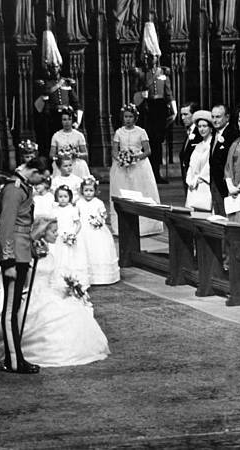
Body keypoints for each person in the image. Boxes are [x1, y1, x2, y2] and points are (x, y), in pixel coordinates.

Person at [0, 217, 110, 368]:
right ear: (43, 232)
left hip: (50, 292)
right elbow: (25, 280)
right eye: (53, 231)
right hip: (33, 294)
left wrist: (68, 288)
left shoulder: (50, 252)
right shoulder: (30, 254)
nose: (57, 234)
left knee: (71, 313)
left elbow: (52, 278)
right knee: (32, 319)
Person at [0, 156, 48, 374]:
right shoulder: (14, 189)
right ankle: (13, 361)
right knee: (10, 310)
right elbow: (6, 226)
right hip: (14, 254)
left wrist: (32, 244)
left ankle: (17, 357)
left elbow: (23, 225)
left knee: (15, 308)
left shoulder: (22, 186)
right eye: (40, 178)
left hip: (22, 250)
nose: (39, 183)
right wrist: (8, 261)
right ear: (33, 171)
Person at [133, 22, 177, 184]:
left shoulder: (163, 74)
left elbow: (169, 94)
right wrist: (141, 95)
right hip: (147, 109)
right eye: (149, 56)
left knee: (158, 142)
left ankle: (157, 172)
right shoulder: (142, 74)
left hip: (159, 109)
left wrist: (174, 111)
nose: (152, 59)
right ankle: (147, 173)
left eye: (154, 56)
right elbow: (135, 97)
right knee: (147, 142)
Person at [109, 104, 163, 236]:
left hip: (139, 166)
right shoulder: (119, 132)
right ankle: (122, 226)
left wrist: (135, 158)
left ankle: (146, 226)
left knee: (140, 191)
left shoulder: (141, 131)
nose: (128, 119)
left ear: (135, 118)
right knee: (123, 192)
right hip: (122, 166)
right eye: (125, 117)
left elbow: (148, 151)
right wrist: (121, 159)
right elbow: (114, 151)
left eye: (130, 117)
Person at [34, 31, 83, 158]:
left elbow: (77, 103)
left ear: (59, 67)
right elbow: (39, 106)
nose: (54, 69)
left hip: (67, 118)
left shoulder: (66, 82)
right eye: (51, 67)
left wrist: (77, 121)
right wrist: (44, 96)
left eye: (56, 67)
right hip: (52, 119)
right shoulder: (46, 84)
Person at [76, 176, 120, 285]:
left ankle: (101, 276)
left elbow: (103, 214)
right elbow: (76, 216)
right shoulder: (79, 202)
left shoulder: (98, 202)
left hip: (96, 229)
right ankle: (86, 275)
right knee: (84, 248)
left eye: (91, 190)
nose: (88, 193)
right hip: (83, 229)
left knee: (99, 249)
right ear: (82, 191)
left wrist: (100, 220)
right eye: (86, 190)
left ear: (95, 191)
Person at [51, 185, 90, 288]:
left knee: (71, 257)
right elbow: (52, 223)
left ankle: (74, 280)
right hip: (59, 236)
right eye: (60, 196)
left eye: (65, 196)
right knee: (59, 258)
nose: (63, 199)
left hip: (70, 235)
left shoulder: (72, 209)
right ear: (56, 198)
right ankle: (60, 281)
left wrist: (73, 234)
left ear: (70, 197)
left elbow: (78, 224)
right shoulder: (54, 209)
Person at [209, 104, 239, 216]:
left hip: (226, 183)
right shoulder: (215, 133)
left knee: (226, 217)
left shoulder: (232, 134)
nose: (215, 120)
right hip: (215, 182)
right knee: (218, 215)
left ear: (227, 117)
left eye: (218, 117)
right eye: (213, 117)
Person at [50, 108, 90, 178]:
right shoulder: (56, 135)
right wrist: (60, 156)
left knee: (82, 164)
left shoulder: (79, 135)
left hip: (75, 161)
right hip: (62, 162)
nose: (67, 122)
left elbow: (85, 154)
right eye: (64, 120)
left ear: (72, 120)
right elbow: (51, 155)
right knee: (57, 165)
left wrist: (77, 154)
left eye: (69, 119)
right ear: (61, 121)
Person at [185, 110, 213, 211]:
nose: (202, 129)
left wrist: (199, 179)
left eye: (205, 126)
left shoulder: (211, 144)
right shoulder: (198, 145)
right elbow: (191, 165)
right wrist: (190, 180)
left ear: (210, 127)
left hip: (204, 184)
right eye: (199, 126)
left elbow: (208, 165)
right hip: (193, 184)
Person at [179, 102, 201, 194]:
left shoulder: (200, 131)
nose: (183, 118)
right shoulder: (189, 131)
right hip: (187, 177)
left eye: (185, 114)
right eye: (181, 115)